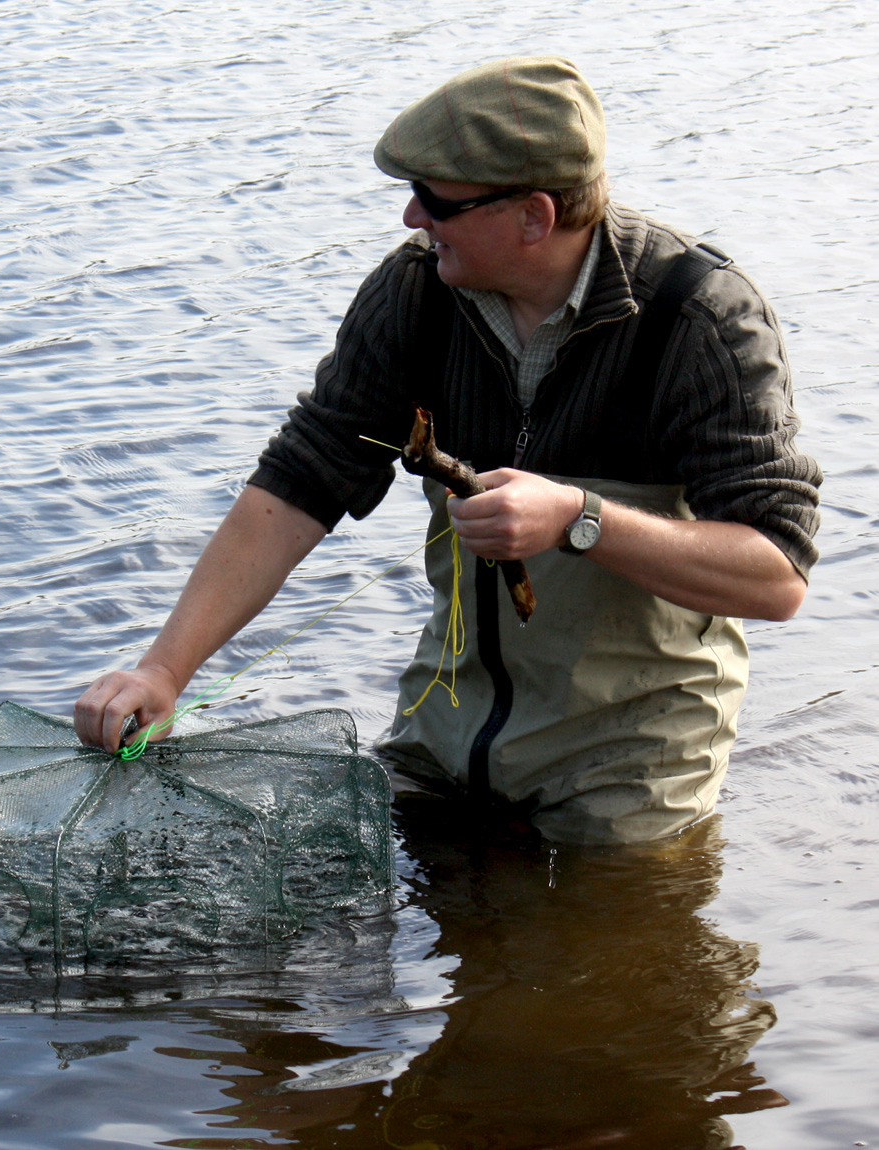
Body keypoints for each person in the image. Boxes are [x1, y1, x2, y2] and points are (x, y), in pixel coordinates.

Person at [75, 56, 821, 844]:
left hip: (630, 763)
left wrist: (579, 516)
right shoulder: (415, 294)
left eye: (436, 200)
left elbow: (776, 576)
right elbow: (298, 486)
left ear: (534, 215)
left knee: (603, 954)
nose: (410, 217)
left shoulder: (697, 318)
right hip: (445, 736)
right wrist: (163, 670)